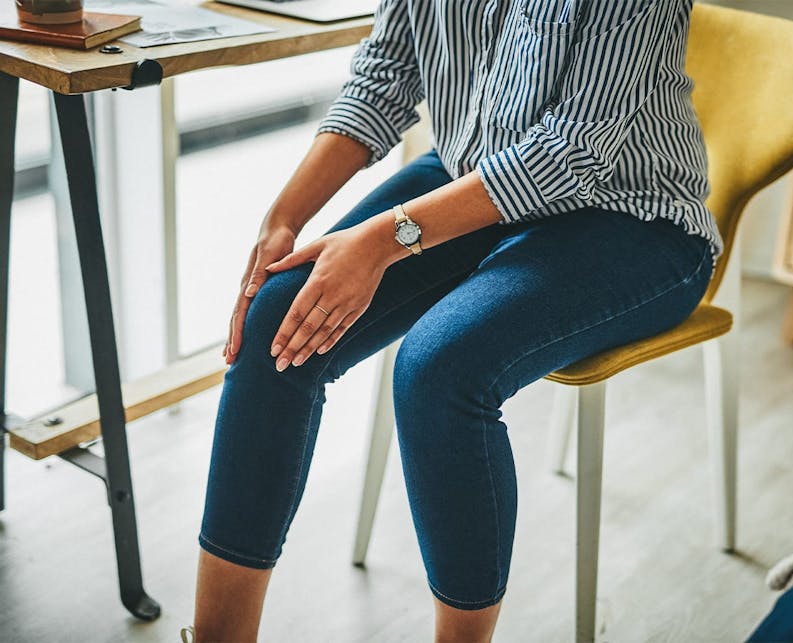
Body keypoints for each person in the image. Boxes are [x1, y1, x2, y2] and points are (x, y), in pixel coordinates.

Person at [185, 1, 723, 641]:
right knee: (278, 322)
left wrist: (382, 240)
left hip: (631, 216)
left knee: (441, 369)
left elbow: (573, 151)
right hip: (473, 175)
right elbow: (385, 74)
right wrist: (284, 216)